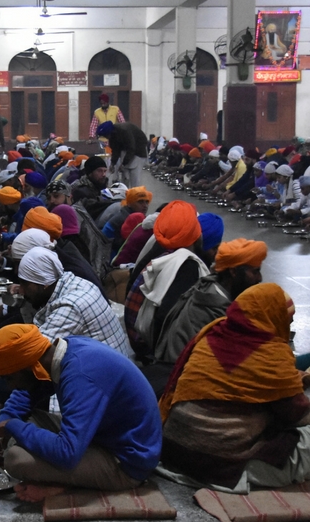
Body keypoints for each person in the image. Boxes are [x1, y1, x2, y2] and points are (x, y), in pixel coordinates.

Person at [0, 324, 162, 502]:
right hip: (101, 436)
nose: (10, 386)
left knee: (15, 460)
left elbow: (66, 453)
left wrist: (11, 426)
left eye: (9, 378)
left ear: (29, 367)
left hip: (126, 462)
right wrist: (1, 430)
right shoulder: (60, 352)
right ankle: (68, 478)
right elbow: (24, 395)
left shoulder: (81, 375)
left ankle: (68, 489)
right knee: (23, 423)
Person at [158, 283, 310, 492]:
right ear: (273, 318)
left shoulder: (211, 334)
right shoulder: (272, 353)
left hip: (175, 451)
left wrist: (290, 381)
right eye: (287, 321)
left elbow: (236, 380)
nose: (288, 328)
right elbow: (296, 414)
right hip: (222, 465)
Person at [0, 246, 127, 402]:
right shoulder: (67, 282)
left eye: (25, 284)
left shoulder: (71, 305)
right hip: (95, 370)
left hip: (102, 386)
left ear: (44, 283)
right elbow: (29, 322)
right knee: (12, 385)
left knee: (8, 385)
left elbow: (29, 350)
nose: (21, 290)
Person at [144, 239, 267, 394]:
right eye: (255, 271)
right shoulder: (217, 312)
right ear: (233, 272)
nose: (259, 278)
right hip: (182, 384)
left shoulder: (209, 286)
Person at [124, 201, 210, 363]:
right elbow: (167, 319)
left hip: (134, 337)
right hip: (149, 351)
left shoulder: (158, 246)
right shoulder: (186, 265)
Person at [97, 121, 148, 187]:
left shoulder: (125, 131)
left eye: (106, 135)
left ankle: (135, 194)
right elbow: (115, 150)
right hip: (126, 152)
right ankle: (125, 194)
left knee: (135, 180)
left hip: (138, 152)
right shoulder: (113, 135)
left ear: (110, 132)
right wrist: (113, 163)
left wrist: (124, 164)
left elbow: (131, 148)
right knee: (124, 179)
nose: (106, 138)